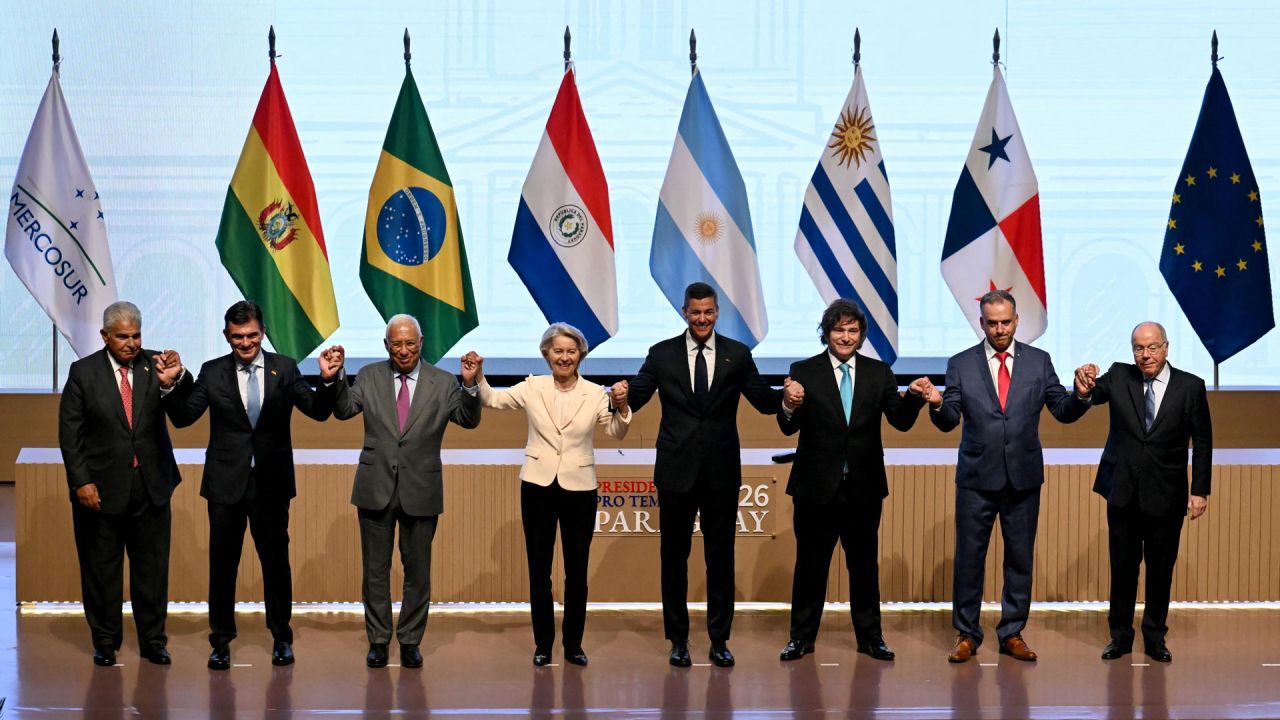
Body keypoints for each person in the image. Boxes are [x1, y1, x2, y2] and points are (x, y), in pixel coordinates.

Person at [167, 300, 342, 670]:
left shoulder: (286, 368)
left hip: (271, 484)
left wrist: (327, 380)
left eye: (251, 336)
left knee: (276, 562)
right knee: (222, 564)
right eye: (237, 337)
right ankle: (221, 641)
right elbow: (183, 418)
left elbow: (318, 411)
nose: (245, 343)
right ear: (226, 336)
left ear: (262, 332)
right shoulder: (212, 372)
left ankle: (281, 637)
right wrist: (171, 387)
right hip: (225, 484)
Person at [926, 289, 1090, 663]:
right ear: (981, 323)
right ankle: (967, 634)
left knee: (1019, 558)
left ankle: (1012, 632)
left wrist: (1080, 396)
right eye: (992, 323)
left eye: (1006, 322)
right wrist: (937, 404)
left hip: (1023, 477)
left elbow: (1061, 410)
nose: (999, 329)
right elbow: (950, 418)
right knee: (969, 559)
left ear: (1017, 321)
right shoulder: (960, 364)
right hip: (976, 479)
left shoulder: (1039, 361)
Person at [624, 281, 783, 668]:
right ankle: (678, 639)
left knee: (720, 559)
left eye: (708, 312)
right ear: (684, 312)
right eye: (695, 312)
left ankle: (718, 639)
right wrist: (617, 395)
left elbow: (763, 401)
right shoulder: (661, 355)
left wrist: (793, 395)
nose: (702, 319)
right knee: (673, 558)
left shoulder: (737, 354)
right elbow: (637, 395)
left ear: (717, 313)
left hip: (720, 474)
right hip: (675, 473)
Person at [462, 323, 631, 667]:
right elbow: (493, 398)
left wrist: (622, 406)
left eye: (571, 351)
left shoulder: (597, 394)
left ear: (581, 355)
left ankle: (573, 645)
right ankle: (543, 644)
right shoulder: (532, 387)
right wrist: (476, 377)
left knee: (577, 571)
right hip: (537, 486)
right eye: (558, 351)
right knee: (539, 571)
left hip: (580, 489)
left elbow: (615, 432)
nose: (564, 357)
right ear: (546, 354)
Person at [776, 299, 933, 662]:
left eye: (852, 330)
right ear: (826, 333)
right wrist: (787, 402)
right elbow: (787, 425)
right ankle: (801, 638)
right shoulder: (804, 370)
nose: (845, 337)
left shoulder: (879, 373)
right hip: (815, 488)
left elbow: (901, 421)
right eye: (838, 329)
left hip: (863, 487)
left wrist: (912, 397)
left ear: (861, 335)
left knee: (863, 567)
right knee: (811, 565)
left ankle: (870, 638)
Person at [327, 314, 480, 669]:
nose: (404, 350)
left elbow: (469, 421)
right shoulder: (368, 376)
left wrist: (471, 386)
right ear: (386, 346)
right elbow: (344, 409)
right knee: (375, 572)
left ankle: (410, 641)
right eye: (396, 343)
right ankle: (378, 641)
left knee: (418, 572)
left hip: (421, 490)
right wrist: (335, 377)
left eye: (410, 343)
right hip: (374, 488)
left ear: (421, 343)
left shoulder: (443, 383)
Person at [58, 301, 190, 667]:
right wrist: (81, 481)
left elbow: (183, 412)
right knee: (101, 570)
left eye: (136, 335)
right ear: (105, 337)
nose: (131, 343)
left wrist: (176, 380)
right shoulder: (83, 373)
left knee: (152, 569)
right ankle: (105, 640)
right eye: (122, 337)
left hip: (151, 487)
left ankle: (153, 641)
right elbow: (70, 434)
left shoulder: (157, 365)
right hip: (100, 491)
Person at [1074, 321, 1211, 663]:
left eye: (1152, 347)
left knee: (1161, 569)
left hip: (1167, 493)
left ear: (1166, 348)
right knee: (1123, 568)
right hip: (1122, 491)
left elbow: (1203, 441)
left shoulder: (1190, 386)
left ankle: (1154, 638)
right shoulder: (1120, 376)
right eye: (1138, 348)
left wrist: (1200, 491)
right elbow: (1090, 396)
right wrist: (1084, 384)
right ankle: (1119, 637)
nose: (1145, 355)